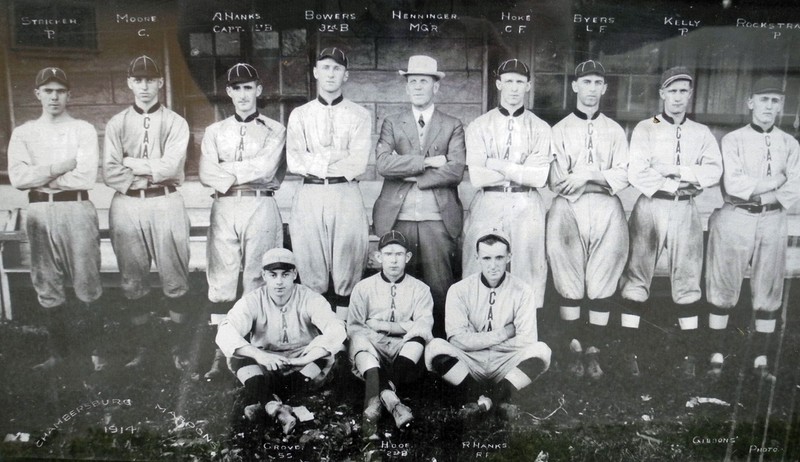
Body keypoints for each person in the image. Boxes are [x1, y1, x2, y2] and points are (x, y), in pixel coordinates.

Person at [619, 66, 722, 377]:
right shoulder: (645, 127)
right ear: (662, 93)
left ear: (690, 95)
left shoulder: (700, 132)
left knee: (688, 280)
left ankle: (689, 356)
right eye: (672, 91)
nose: (678, 97)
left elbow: (713, 171)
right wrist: (677, 180)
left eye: (683, 91)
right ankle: (628, 352)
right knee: (637, 277)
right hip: (651, 205)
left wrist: (676, 171)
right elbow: (638, 171)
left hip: (685, 209)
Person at [8, 67, 103, 370]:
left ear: (68, 94)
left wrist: (45, 177)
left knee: (86, 280)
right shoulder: (24, 133)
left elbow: (85, 176)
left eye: (59, 90)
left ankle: (95, 353)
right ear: (37, 94)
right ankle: (58, 354)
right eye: (47, 90)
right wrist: (60, 167)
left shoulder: (83, 129)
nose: (54, 96)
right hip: (38, 212)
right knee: (46, 282)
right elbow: (19, 178)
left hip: (75, 209)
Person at [704, 76, 800, 380]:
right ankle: (715, 356)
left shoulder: (790, 143)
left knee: (768, 289)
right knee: (723, 286)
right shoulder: (733, 140)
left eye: (775, 101)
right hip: (736, 215)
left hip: (773, 218)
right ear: (751, 103)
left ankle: (761, 359)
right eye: (763, 100)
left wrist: (764, 191)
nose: (769, 106)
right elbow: (734, 184)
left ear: (781, 105)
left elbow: (794, 187)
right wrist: (774, 182)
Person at [102, 55, 192, 369]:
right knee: (132, 278)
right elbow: (110, 172)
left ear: (160, 83)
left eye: (149, 79)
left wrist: (132, 163)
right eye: (137, 80)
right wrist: (145, 171)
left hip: (165, 201)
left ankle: (178, 350)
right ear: (129, 83)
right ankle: (143, 349)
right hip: (126, 203)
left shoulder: (176, 122)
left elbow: (171, 167)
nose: (143, 86)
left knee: (174, 275)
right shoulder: (117, 123)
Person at [199, 63, 286, 379]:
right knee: (221, 284)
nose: (243, 94)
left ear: (259, 90)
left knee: (256, 282)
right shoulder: (214, 131)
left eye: (249, 87)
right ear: (229, 92)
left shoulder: (275, 129)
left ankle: (255, 353)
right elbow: (207, 173)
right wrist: (239, 171)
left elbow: (265, 170)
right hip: (224, 207)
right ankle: (221, 355)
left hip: (260, 206)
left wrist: (227, 170)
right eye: (237, 88)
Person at [546, 60, 630, 379]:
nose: (592, 89)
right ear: (575, 86)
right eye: (586, 82)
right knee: (569, 280)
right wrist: (596, 179)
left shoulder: (614, 130)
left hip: (608, 208)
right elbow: (559, 182)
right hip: (568, 207)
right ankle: (574, 348)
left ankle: (594, 349)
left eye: (598, 83)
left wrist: (587, 175)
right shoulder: (560, 129)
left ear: (604, 88)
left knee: (602, 280)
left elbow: (622, 176)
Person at [373, 55, 465, 338]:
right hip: (397, 219)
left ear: (436, 86)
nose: (417, 87)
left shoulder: (452, 124)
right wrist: (426, 163)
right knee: (400, 287)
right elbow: (383, 164)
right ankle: (401, 351)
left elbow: (455, 170)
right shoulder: (392, 122)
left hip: (437, 220)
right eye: (412, 82)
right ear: (406, 87)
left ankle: (437, 350)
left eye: (423, 81)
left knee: (440, 289)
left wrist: (407, 168)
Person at [216, 248, 346, 434]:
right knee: (239, 358)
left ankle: (266, 402)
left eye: (285, 274)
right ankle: (279, 406)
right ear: (264, 275)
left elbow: (336, 328)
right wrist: (259, 355)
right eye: (273, 274)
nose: (279, 281)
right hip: (266, 363)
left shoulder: (309, 297)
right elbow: (226, 331)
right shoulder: (252, 300)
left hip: (301, 363)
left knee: (325, 354)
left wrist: (302, 359)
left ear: (294, 274)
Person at [425, 230, 551, 419]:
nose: (493, 265)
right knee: (435, 347)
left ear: (509, 257)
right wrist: (504, 333)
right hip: (470, 360)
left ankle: (483, 400)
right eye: (487, 258)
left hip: (506, 360)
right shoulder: (459, 290)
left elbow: (527, 339)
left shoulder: (523, 290)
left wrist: (476, 339)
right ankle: (497, 399)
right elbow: (457, 340)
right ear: (477, 258)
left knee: (541, 351)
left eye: (499, 257)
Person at [286, 47, 371, 318]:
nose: (331, 74)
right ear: (315, 73)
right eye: (325, 67)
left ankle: (344, 335)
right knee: (311, 265)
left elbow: (357, 163)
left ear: (346, 75)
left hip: (345, 192)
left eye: (337, 68)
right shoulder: (300, 114)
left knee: (348, 264)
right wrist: (335, 157)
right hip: (309, 192)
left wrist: (317, 158)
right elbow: (294, 161)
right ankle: (319, 333)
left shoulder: (360, 115)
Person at [462, 59, 552, 311]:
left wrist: (497, 164)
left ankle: (525, 331)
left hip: (527, 201)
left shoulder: (541, 127)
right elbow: (478, 177)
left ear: (528, 86)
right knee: (480, 261)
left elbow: (538, 178)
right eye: (509, 81)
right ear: (499, 84)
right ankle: (477, 323)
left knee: (528, 265)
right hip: (489, 199)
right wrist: (520, 169)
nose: (514, 88)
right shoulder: (480, 125)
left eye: (520, 82)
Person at [348, 230, 434, 436]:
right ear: (378, 257)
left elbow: (423, 323)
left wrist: (384, 326)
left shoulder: (420, 289)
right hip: (373, 344)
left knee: (418, 337)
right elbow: (355, 326)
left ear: (407, 257)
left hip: (403, 347)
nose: (393, 260)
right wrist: (377, 332)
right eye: (388, 254)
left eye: (398, 254)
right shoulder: (363, 288)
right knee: (358, 340)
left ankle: (380, 397)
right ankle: (394, 401)